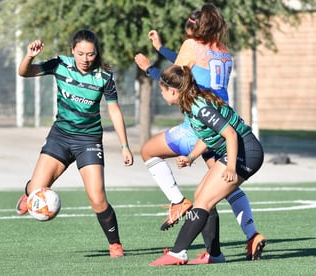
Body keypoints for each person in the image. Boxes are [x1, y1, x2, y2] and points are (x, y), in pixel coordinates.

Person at [134, 3, 266, 263]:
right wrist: (162, 49)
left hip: (201, 121)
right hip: (218, 118)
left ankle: (177, 203)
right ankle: (243, 237)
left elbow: (177, 78)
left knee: (149, 151)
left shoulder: (191, 46)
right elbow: (189, 68)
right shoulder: (224, 52)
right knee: (217, 188)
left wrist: (150, 67)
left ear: (196, 27)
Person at [14, 29, 134, 258]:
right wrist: (30, 56)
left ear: (96, 53)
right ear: (72, 51)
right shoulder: (60, 64)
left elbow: (114, 111)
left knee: (97, 197)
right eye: (80, 53)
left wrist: (124, 145)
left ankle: (115, 244)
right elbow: (24, 73)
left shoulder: (104, 77)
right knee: (36, 190)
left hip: (88, 140)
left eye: (90, 54)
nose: (85, 59)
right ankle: (29, 191)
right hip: (60, 136)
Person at [149, 65, 265, 266]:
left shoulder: (199, 107)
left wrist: (230, 167)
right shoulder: (190, 104)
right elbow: (207, 135)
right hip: (239, 151)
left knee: (203, 201)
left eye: (162, 90)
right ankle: (214, 255)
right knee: (201, 195)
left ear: (173, 91)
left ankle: (178, 252)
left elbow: (229, 133)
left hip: (246, 152)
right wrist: (192, 157)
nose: (161, 94)